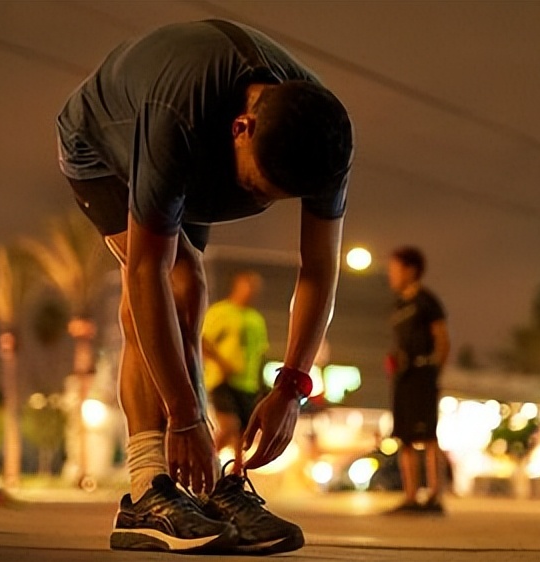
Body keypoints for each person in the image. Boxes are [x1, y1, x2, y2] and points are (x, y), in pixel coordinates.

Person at [57, 19, 352, 553]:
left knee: (188, 294)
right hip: (103, 145)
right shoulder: (178, 116)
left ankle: (206, 490)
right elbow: (145, 270)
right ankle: (149, 489)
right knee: (180, 283)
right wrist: (186, 415)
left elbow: (318, 266)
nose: (258, 203)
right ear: (241, 128)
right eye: (255, 187)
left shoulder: (324, 133)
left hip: (198, 163)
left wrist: (291, 386)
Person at [385, 246, 450, 515]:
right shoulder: (400, 305)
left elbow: (443, 339)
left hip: (423, 373)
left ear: (411, 270)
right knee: (405, 436)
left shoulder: (427, 301)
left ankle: (435, 496)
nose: (392, 275)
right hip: (403, 376)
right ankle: (410, 497)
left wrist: (434, 372)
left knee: (429, 435)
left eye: (395, 269)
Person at [202, 271, 269, 457]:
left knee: (244, 437)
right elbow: (203, 341)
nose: (251, 292)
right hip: (223, 379)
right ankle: (203, 463)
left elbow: (259, 353)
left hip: (248, 384)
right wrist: (221, 363)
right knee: (229, 426)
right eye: (248, 287)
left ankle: (236, 476)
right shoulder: (221, 312)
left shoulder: (256, 320)